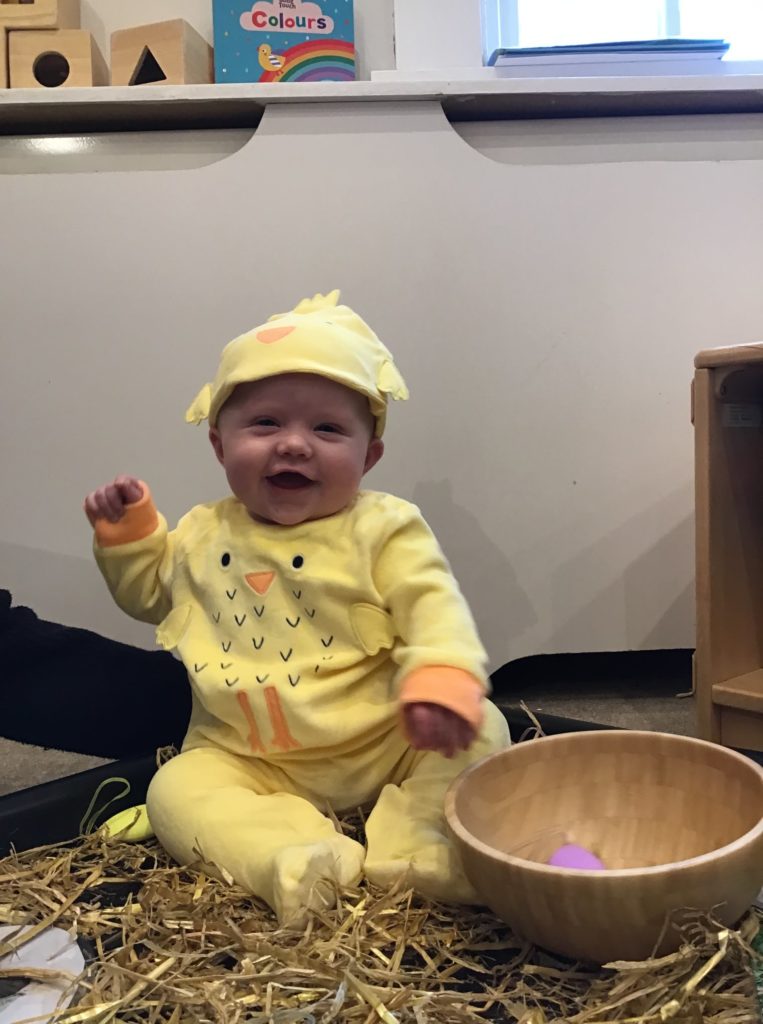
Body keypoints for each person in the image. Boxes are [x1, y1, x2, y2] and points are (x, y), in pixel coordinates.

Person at [84, 290, 510, 924]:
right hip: (250, 760)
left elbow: (431, 605)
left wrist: (442, 680)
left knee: (484, 730)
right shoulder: (200, 534)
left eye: (327, 429)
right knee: (175, 790)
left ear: (369, 456)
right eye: (265, 423)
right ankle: (291, 857)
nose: (294, 445)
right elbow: (146, 597)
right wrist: (129, 537)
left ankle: (421, 846)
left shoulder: (385, 528)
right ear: (219, 446)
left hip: (388, 739)